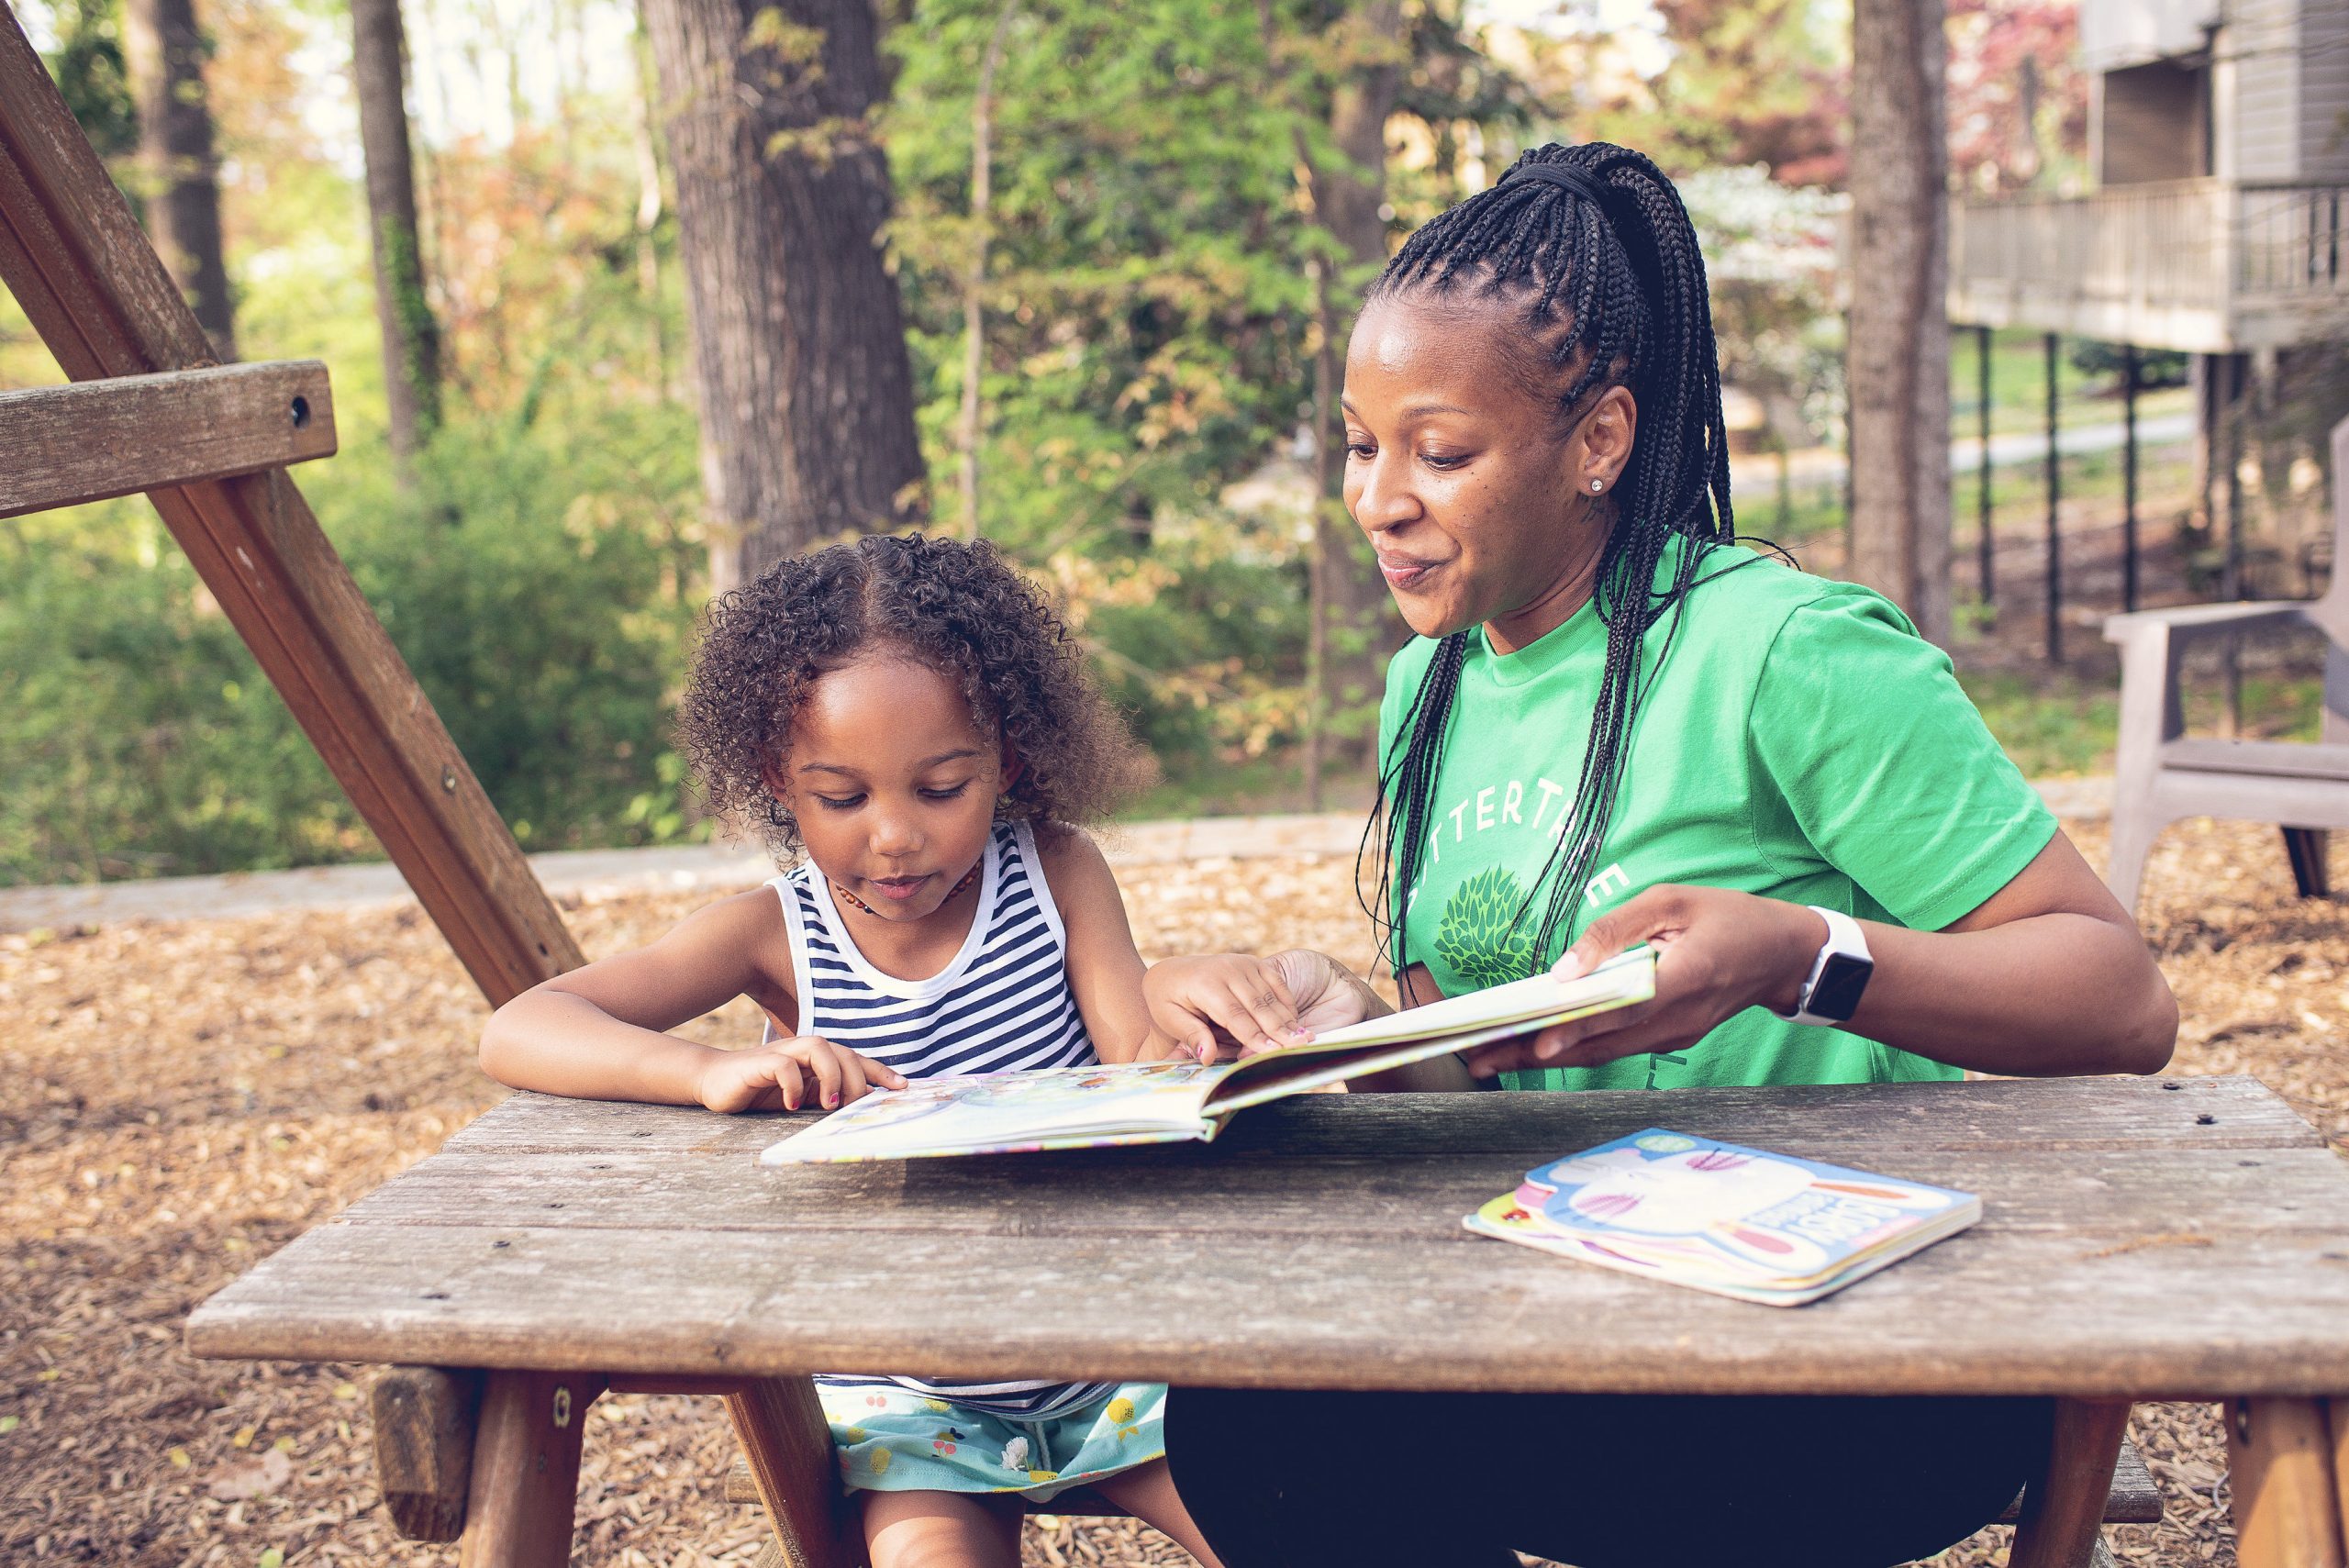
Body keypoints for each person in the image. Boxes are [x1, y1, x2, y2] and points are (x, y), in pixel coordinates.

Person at [1142, 141, 2178, 1568]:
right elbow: (1493, 1066)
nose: (1377, 497)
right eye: (1359, 442)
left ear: (1600, 441)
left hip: (1864, 1354)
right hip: (1572, 1297)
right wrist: (1343, 1033)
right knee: (1252, 1421)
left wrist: (1791, 958)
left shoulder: (1786, 651)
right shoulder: (1429, 685)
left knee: (1318, 1436)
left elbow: (2120, 1000)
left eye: (1439, 452)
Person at [480, 534, 1221, 1568]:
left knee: (1296, 1529)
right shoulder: (771, 934)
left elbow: (1138, 1059)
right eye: (844, 796)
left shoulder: (1056, 871)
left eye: (939, 786)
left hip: (1113, 1353)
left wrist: (1193, 1021)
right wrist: (704, 1070)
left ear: (1006, 757)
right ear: (777, 778)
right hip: (911, 1402)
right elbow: (518, 1026)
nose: (893, 836)